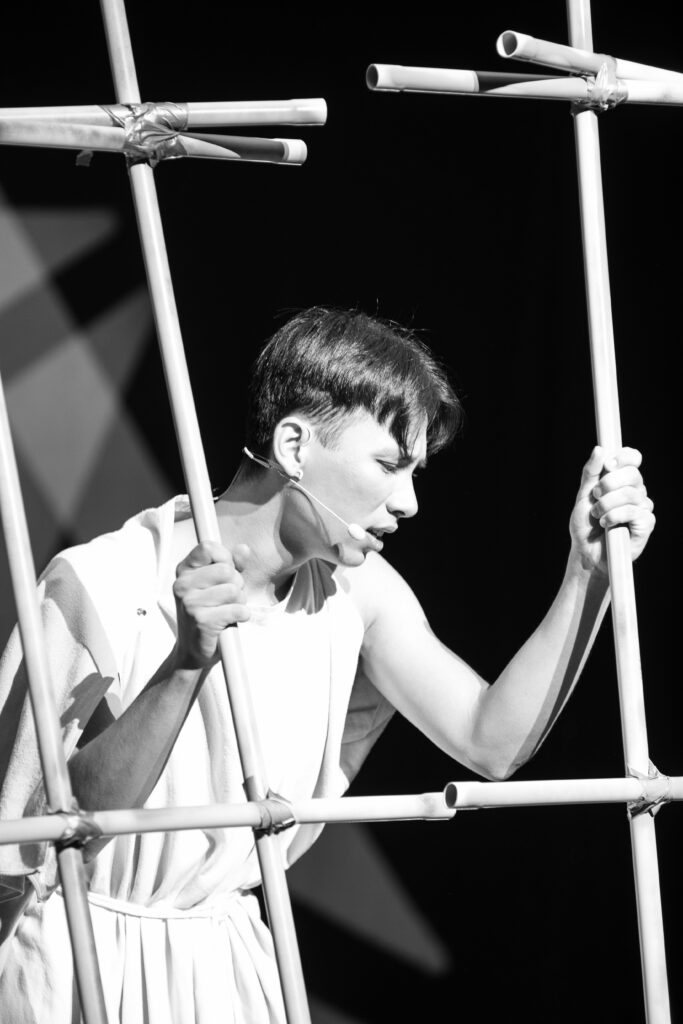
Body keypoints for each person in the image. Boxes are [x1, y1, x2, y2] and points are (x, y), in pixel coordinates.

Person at [0, 307, 655, 1022]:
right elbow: (49, 826)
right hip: (78, 962)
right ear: (293, 445)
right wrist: (186, 666)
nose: (409, 502)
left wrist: (587, 575)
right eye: (389, 465)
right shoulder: (103, 581)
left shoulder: (357, 595)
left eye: (415, 472)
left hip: (228, 964)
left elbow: (490, 741)